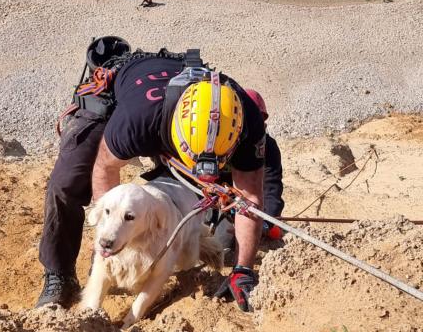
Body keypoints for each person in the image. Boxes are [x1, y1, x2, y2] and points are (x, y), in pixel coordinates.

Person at [36, 43, 266, 313]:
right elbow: (104, 169)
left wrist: (243, 270)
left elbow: (249, 198)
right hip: (124, 96)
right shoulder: (137, 124)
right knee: (66, 182)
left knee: (201, 183)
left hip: (177, 116)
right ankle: (59, 274)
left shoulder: (247, 119)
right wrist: (107, 242)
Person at [212, 89, 284, 264]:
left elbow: (271, 186)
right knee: (217, 243)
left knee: (271, 232)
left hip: (245, 206)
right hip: (217, 203)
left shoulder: (268, 147)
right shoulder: (216, 141)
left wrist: (265, 220)